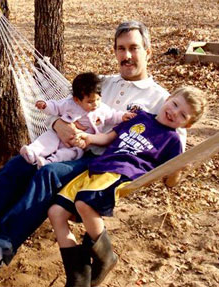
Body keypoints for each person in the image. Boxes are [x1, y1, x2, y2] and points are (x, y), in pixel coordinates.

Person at [0, 20, 186, 286]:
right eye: (121, 48)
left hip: (104, 167)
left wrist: (172, 173)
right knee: (20, 164)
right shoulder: (100, 83)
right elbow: (62, 109)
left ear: (149, 51)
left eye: (134, 48)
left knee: (47, 175)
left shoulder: (162, 100)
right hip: (70, 149)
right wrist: (58, 124)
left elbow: (176, 155)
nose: (126, 55)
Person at [48, 86, 207, 287]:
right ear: (168, 98)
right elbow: (107, 138)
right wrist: (87, 138)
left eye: (183, 114)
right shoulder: (137, 117)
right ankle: (78, 275)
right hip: (95, 168)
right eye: (175, 104)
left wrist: (178, 171)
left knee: (83, 203)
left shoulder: (173, 141)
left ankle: (106, 258)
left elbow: (170, 183)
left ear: (188, 124)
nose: (174, 112)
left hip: (121, 172)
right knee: (56, 212)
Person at [20, 72, 134, 168]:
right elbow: (56, 106)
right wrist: (45, 106)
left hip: (79, 143)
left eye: (98, 99)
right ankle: (33, 152)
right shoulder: (69, 104)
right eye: (90, 102)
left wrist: (123, 116)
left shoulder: (101, 108)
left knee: (71, 153)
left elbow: (113, 116)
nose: (95, 104)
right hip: (59, 134)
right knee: (48, 138)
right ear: (77, 100)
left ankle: (47, 162)